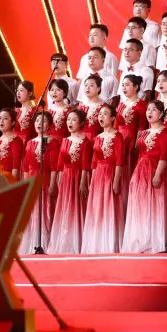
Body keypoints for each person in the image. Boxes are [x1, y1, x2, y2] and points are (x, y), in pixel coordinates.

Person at [121, 101, 167, 253]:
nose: (149, 112)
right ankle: (139, 238)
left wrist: (158, 174)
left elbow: (164, 156)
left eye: (154, 110)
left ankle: (153, 240)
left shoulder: (165, 132)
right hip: (140, 171)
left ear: (161, 114)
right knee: (140, 205)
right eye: (148, 109)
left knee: (153, 204)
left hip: (154, 169)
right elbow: (140, 154)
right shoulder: (144, 133)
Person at [81, 104, 125, 253]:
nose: (101, 116)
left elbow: (119, 161)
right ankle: (96, 242)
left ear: (112, 118)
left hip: (109, 174)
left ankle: (109, 242)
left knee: (109, 206)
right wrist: (91, 181)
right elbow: (93, 162)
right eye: (100, 114)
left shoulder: (117, 136)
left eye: (105, 114)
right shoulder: (97, 138)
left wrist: (116, 181)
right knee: (97, 207)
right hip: (98, 176)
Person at [47, 109, 90, 254]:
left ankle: (76, 242)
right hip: (65, 178)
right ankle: (63, 242)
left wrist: (83, 182)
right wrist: (58, 181)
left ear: (81, 123)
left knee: (76, 208)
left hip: (77, 177)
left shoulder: (85, 142)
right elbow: (60, 165)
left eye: (74, 119)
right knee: (64, 208)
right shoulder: (65, 140)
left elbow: (85, 165)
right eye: (68, 119)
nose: (69, 122)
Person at [115, 75, 147, 168]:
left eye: (127, 85)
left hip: (132, 140)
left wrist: (136, 144)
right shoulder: (121, 104)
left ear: (136, 87)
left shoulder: (142, 105)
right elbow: (116, 125)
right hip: (119, 139)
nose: (124, 87)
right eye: (123, 85)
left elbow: (142, 128)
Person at [0, 108, 23, 180]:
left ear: (13, 122)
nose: (1, 121)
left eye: (5, 118)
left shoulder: (16, 141)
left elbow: (16, 166)